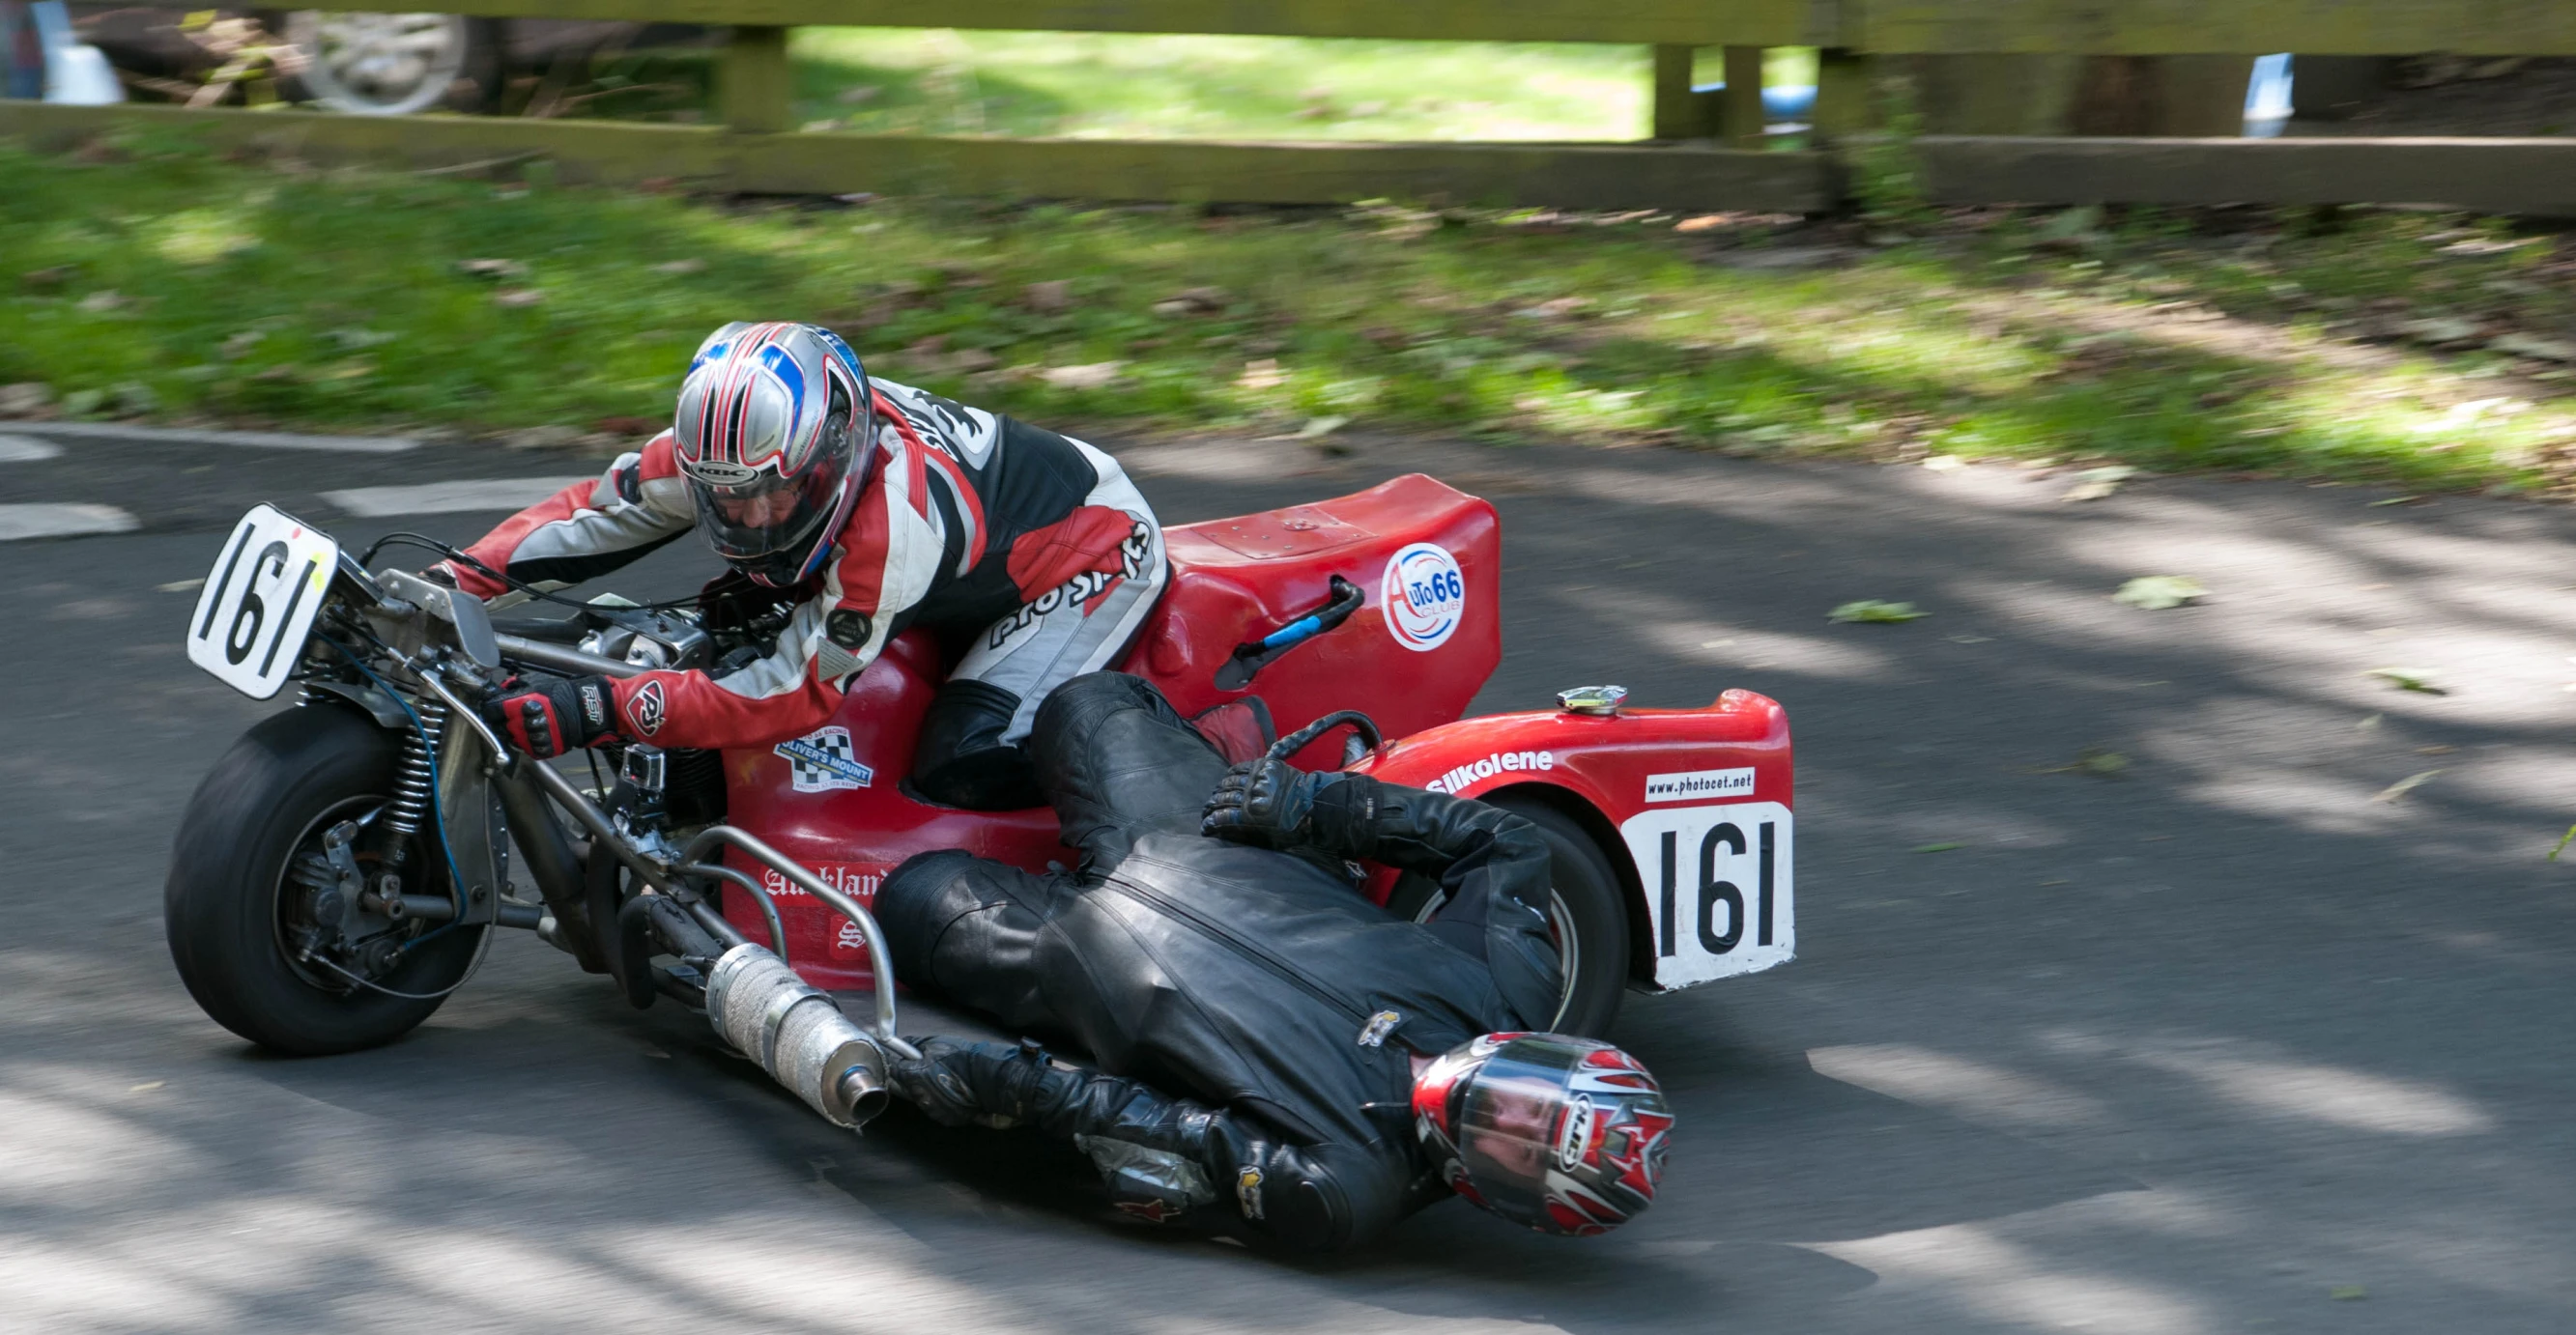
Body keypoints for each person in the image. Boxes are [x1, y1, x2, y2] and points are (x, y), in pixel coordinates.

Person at [876, 671, 1673, 1249]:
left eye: (1516, 1141)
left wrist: (1008, 1083)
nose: (1499, 1103)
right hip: (1199, 837)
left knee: (903, 897)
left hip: (1067, 958)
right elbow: (1505, 841)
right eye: (1533, 1089)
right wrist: (1314, 806)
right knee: (1084, 700)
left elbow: (1169, 1132)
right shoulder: (1512, 988)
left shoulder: (1344, 1189)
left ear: (1503, 1198)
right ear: (1549, 1051)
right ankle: (1225, 753)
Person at [438, 321, 1164, 809]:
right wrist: (453, 583)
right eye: (727, 499)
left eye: (776, 495)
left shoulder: (894, 523)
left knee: (960, 759)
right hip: (972, 548)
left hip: (1090, 553)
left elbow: (790, 693)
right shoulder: (735, 448)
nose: (751, 517)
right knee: (719, 630)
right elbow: (592, 518)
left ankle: (1145, 806)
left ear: (831, 457)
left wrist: (601, 708)